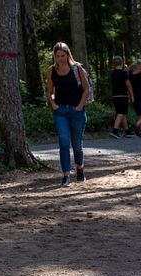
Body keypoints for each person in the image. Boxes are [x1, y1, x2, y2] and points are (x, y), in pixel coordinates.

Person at [46, 42, 90, 186]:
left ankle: (80, 169)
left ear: (67, 54)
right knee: (64, 141)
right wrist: (54, 105)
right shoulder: (51, 70)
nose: (60, 59)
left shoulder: (77, 68)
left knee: (77, 145)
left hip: (76, 110)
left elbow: (86, 89)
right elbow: (50, 91)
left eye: (63, 55)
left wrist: (79, 107)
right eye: (57, 56)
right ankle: (66, 175)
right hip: (60, 111)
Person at [109, 56, 134, 139]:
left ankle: (127, 131)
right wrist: (132, 95)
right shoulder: (124, 74)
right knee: (121, 113)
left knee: (122, 113)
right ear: (122, 63)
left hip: (115, 96)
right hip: (123, 95)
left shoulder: (113, 73)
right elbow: (129, 85)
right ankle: (114, 131)